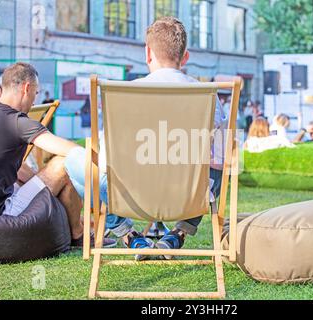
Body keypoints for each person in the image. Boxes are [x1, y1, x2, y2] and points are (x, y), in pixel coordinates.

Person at [64, 17, 227, 261]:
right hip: (188, 197)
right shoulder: (209, 98)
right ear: (185, 57)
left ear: (147, 53)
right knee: (221, 161)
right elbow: (222, 160)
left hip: (131, 197)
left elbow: (107, 160)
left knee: (74, 160)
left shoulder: (124, 95)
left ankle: (127, 233)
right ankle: (179, 233)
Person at [0, 62, 115, 248]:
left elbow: (15, 170)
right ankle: (79, 235)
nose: (34, 101)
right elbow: (67, 150)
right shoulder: (17, 121)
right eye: (35, 94)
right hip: (0, 213)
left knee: (39, 177)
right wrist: (104, 164)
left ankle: (82, 226)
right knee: (62, 164)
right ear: (27, 88)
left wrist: (41, 180)